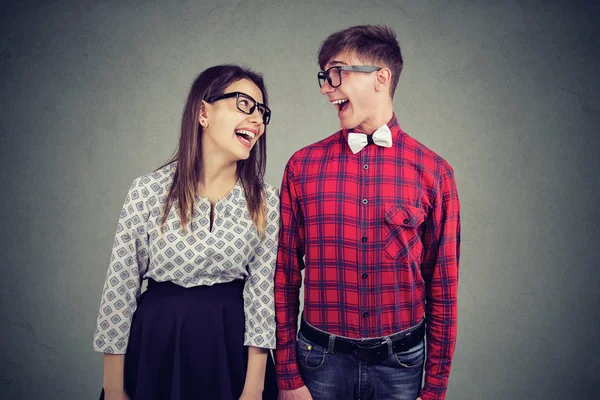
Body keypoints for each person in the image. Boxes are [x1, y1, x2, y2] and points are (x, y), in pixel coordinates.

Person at [274, 25, 461, 400]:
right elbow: (283, 276)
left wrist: (435, 389)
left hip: (402, 366)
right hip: (317, 362)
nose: (326, 88)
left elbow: (443, 289)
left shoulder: (434, 173)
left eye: (336, 73)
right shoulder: (301, 167)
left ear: (381, 77)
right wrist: (287, 376)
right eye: (323, 77)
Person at [93, 65, 280, 400]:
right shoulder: (147, 192)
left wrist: (254, 387)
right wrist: (114, 388)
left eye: (262, 111)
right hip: (155, 350)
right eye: (244, 104)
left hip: (230, 355)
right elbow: (118, 292)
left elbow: (261, 297)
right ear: (202, 112)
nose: (257, 119)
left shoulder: (266, 201)